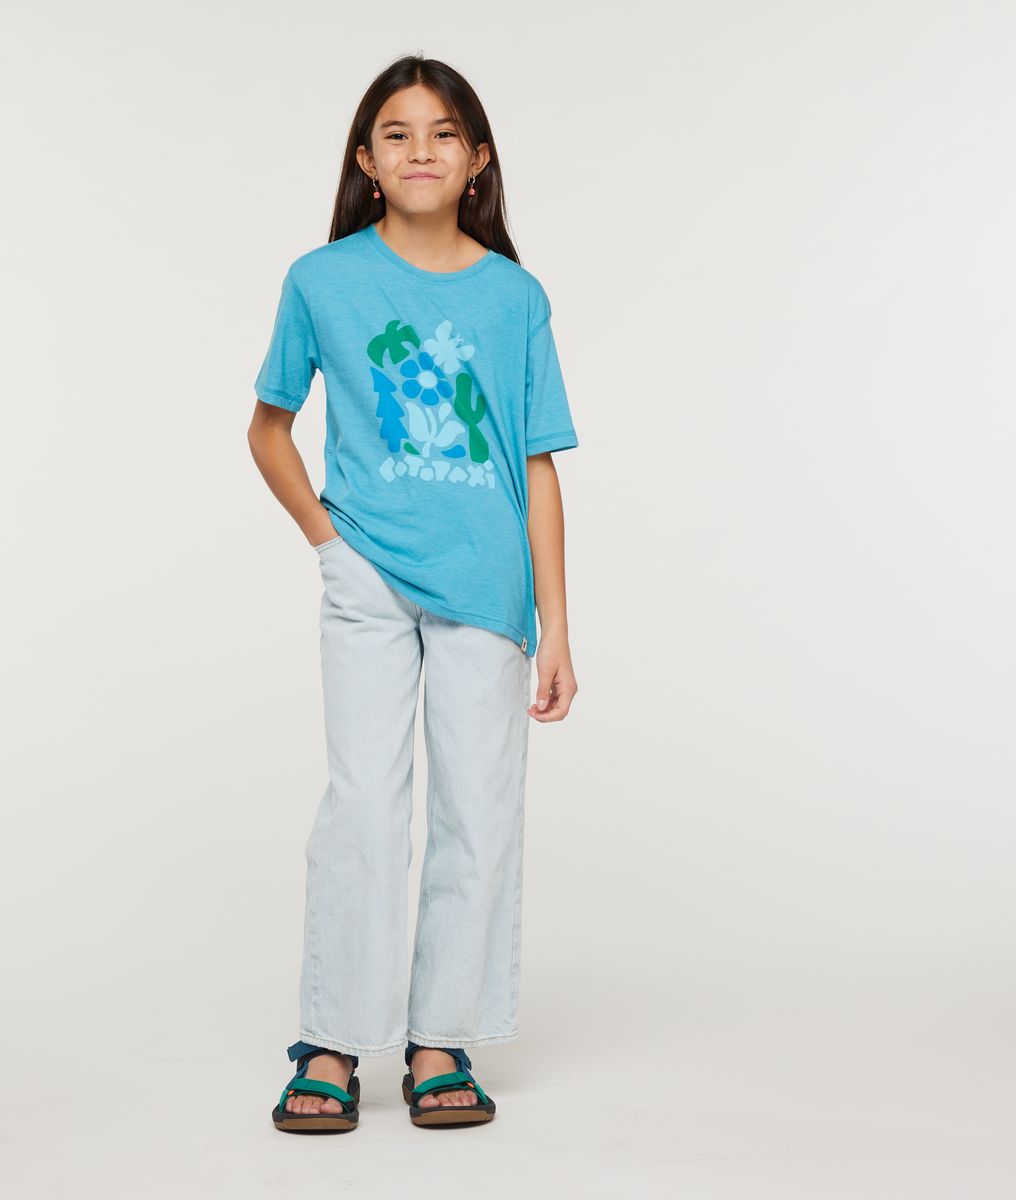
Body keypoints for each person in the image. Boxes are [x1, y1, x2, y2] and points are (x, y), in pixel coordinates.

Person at [248, 54, 578, 1131]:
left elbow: (536, 465)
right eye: (397, 133)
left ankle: (441, 1038)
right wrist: (328, 540)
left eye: (443, 133)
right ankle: (334, 1039)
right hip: (370, 575)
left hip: (488, 590)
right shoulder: (323, 280)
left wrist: (556, 624)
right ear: (366, 159)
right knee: (362, 805)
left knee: (476, 813)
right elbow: (268, 427)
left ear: (477, 161)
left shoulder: (514, 296)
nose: (420, 149)